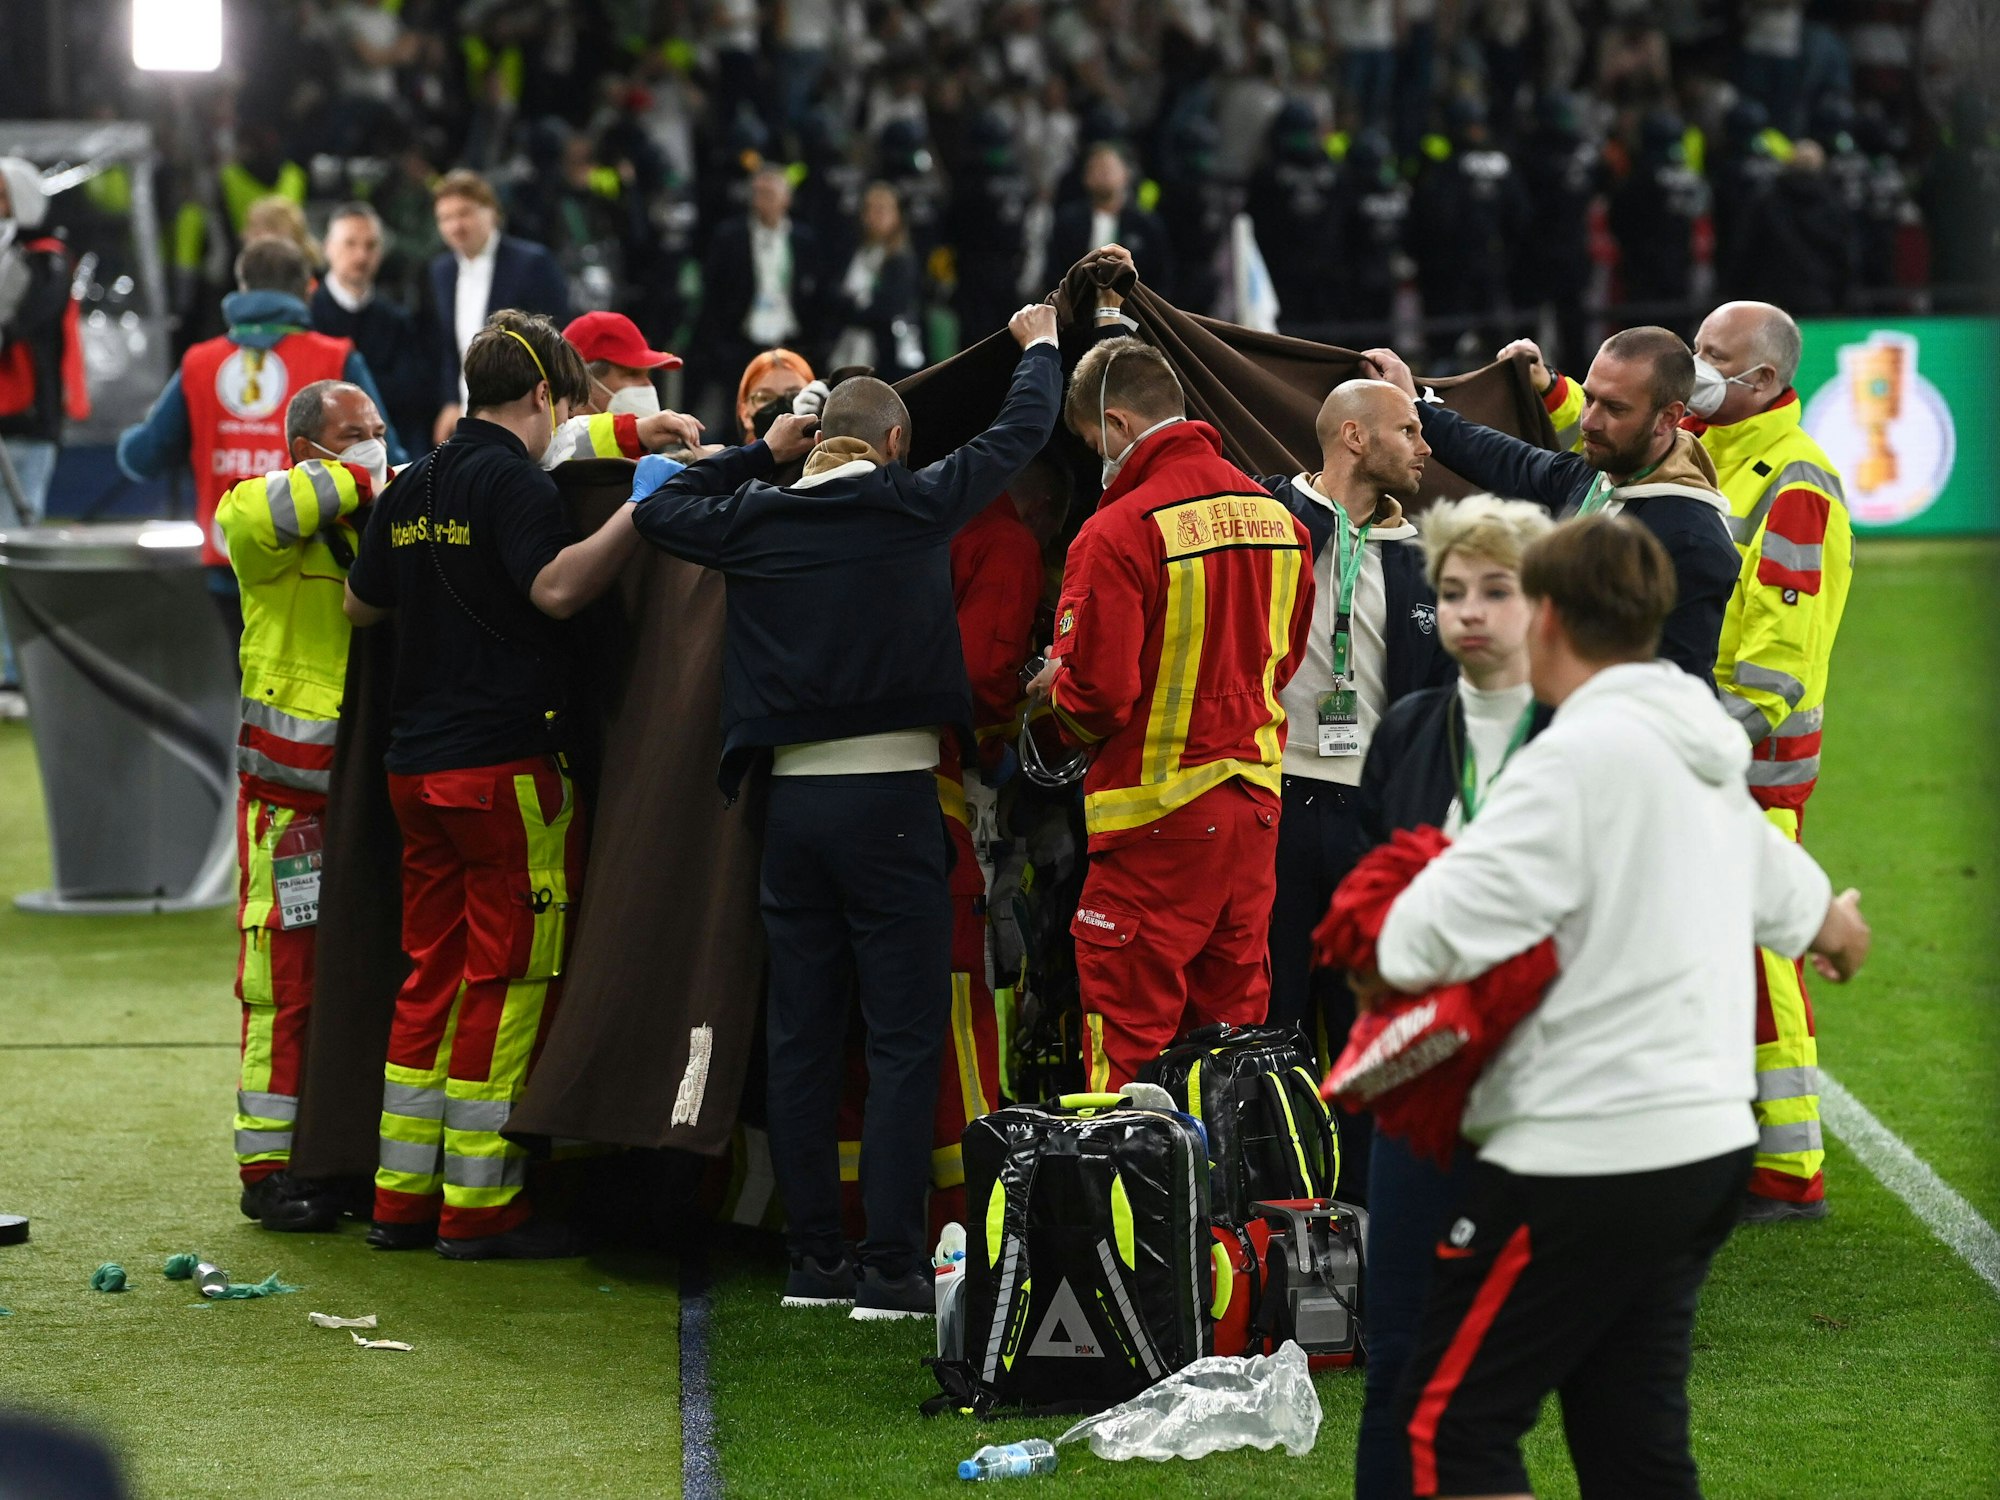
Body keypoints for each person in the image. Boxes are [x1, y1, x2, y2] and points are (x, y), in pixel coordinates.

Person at [1366, 515, 1870, 1499]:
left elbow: (1412, 942)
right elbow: (1819, 923)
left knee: (1443, 1425)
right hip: (1707, 1150)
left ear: (1546, 617)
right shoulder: (1698, 752)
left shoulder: (1561, 767)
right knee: (1629, 1437)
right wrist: (1835, 923)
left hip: (1584, 1151)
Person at [627, 305, 1062, 1319]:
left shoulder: (758, 516)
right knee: (905, 1037)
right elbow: (1018, 433)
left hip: (788, 811)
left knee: (804, 1035)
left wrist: (756, 452)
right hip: (898, 799)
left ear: (811, 441)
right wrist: (1036, 345)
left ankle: (813, 1261)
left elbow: (659, 511)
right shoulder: (913, 504)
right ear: (897, 441)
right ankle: (892, 1267)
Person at [342, 309, 645, 1260]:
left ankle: (401, 1197)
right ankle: (479, 1209)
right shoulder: (516, 484)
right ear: (547, 395)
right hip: (504, 771)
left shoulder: (415, 479)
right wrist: (643, 510)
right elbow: (556, 589)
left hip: (413, 774)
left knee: (428, 976)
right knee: (508, 982)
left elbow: (360, 603)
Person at [1028, 334, 1315, 1091]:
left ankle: (1140, 1215)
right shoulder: (1280, 520)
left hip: (1150, 824)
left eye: (1094, 442)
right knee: (1232, 1057)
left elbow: (1099, 698)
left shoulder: (1116, 531)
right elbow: (1281, 662)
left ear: (1117, 426)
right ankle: (1233, 1212)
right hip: (1252, 818)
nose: (1098, 459)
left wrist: (1049, 698)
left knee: (1128, 1055)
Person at [1345, 494, 1554, 1500]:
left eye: (1496, 590)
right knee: (1394, 1352)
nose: (1468, 611)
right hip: (1419, 1093)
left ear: (1541, 601)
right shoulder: (1410, 728)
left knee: (1512, 1384)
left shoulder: (1578, 736)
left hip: (1545, 1103)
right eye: (1451, 591)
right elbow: (1368, 905)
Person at [1256, 379, 1455, 1201]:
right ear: (1353, 438)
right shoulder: (1268, 522)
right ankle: (1273, 1204)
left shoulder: (1426, 559)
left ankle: (1366, 1209)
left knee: (1372, 1021)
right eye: (1408, 429)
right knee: (1274, 1022)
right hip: (1277, 799)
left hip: (1374, 819)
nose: (1425, 446)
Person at [1689, 300, 1853, 1220]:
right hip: (1713, 745)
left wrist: (1705, 741)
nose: (1696, 363)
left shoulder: (1794, 478)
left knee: (1761, 948)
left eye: (1714, 355)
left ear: (1762, 380)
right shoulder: (1710, 441)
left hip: (1752, 757)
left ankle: (1790, 1170)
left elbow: (1777, 662)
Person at [213, 379, 388, 1233]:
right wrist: (363, 478)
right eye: (354, 435)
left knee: (360, 982)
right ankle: (267, 1169)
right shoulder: (260, 517)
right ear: (306, 450)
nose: (372, 444)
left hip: (370, 800)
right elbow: (248, 522)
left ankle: (338, 1156)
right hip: (293, 806)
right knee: (282, 988)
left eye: (378, 433)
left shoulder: (371, 525)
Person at [1362, 333, 1738, 682]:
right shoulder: (1601, 478)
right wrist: (1414, 408)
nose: (1589, 421)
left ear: (1668, 418)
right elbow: (1506, 459)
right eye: (1589, 398)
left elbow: (1681, 689)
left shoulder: (1693, 539)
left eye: (1615, 409)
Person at [117, 236, 405, 643]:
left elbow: (141, 457)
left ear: (242, 288)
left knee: (254, 686)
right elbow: (386, 455)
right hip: (323, 565)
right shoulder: (336, 358)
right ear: (308, 288)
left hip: (229, 563)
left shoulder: (200, 362)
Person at [0, 155, 77, 710]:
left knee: (14, 545)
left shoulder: (44, 263)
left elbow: (20, 323)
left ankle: (12, 672)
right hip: (19, 421)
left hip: (26, 424)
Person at [426, 169, 572, 445]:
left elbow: (557, 343)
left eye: (464, 213)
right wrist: (450, 401)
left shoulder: (532, 263)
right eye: (445, 218)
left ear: (491, 212)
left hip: (525, 413)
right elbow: (448, 345)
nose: (456, 226)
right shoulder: (441, 271)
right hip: (469, 414)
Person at [309, 202, 437, 460]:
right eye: (350, 244)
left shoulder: (396, 320)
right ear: (328, 249)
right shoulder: (308, 315)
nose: (361, 256)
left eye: (370, 246)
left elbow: (410, 392)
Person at [697, 167, 825, 422]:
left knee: (792, 417)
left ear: (786, 199)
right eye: (757, 193)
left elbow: (816, 294)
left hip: (790, 341)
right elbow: (713, 293)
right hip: (742, 340)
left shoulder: (803, 240)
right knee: (738, 417)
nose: (761, 200)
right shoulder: (730, 236)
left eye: (769, 193)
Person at [545, 310, 705, 465]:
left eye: (647, 375)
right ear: (580, 384)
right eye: (632, 374)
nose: (647, 386)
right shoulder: (543, 448)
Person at [1045, 144, 1176, 304]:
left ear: (1126, 175)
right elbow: (1054, 273)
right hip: (1078, 312)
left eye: (1109, 168)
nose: (1104, 173)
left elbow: (1161, 277)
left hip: (1133, 314)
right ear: (1086, 178)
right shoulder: (1069, 221)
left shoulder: (1146, 224)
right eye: (1097, 168)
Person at [827, 183, 926, 382]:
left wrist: (852, 310)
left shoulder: (901, 259)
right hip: (846, 343)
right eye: (870, 208)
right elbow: (831, 292)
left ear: (897, 215)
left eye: (882, 209)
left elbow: (889, 306)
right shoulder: (853, 251)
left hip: (885, 352)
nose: (875, 215)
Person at [733, 346, 815, 445]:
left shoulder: (832, 459)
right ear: (745, 414)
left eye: (794, 396)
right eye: (765, 398)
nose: (781, 415)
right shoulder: (731, 460)